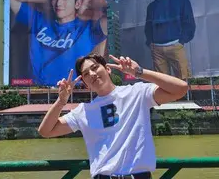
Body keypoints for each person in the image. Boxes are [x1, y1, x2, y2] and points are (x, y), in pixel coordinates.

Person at [38, 53, 188, 179]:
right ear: (85, 84)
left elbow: (180, 89)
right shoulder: (83, 111)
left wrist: (139, 72)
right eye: (85, 74)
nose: (91, 74)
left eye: (95, 67)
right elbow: (46, 131)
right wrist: (61, 101)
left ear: (108, 69)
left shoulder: (137, 93)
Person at [10, 0, 107, 86]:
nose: (59, 3)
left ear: (78, 3)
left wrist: (88, 4)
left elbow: (112, 10)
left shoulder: (89, 29)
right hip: (37, 89)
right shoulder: (38, 20)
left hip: (73, 91)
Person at [144, 0, 196, 80]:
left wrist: (181, 40)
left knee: (182, 79)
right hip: (157, 48)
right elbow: (148, 26)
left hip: (175, 45)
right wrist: (150, 42)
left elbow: (189, 21)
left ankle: (183, 98)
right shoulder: (152, 6)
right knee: (163, 82)